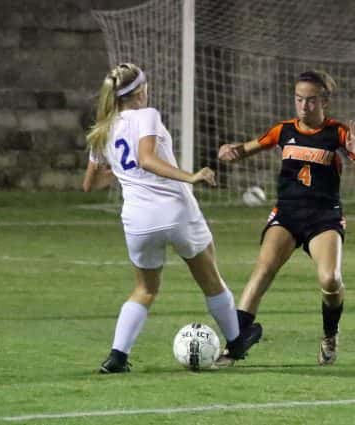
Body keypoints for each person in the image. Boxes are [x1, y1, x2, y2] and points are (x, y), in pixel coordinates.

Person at [83, 63, 261, 373]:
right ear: (140, 91)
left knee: (145, 290)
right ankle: (236, 342)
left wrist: (123, 171)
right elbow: (147, 158)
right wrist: (190, 176)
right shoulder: (147, 114)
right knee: (211, 282)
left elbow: (90, 184)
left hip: (138, 220)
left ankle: (117, 357)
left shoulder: (102, 129)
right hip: (176, 211)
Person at [218, 70, 355, 365]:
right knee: (262, 271)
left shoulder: (339, 133)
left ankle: (330, 335)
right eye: (298, 100)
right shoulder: (283, 131)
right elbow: (247, 148)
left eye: (310, 101)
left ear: (324, 102)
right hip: (287, 214)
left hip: (324, 218)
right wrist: (230, 152)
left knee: (330, 280)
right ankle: (235, 346)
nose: (304, 106)